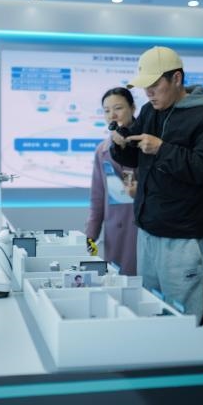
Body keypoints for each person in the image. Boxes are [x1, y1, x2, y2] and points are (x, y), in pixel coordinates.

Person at [111, 46, 203, 322]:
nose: (149, 93)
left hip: (183, 237)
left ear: (176, 79)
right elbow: (134, 157)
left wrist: (162, 149)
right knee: (151, 312)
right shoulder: (150, 111)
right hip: (148, 230)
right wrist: (121, 143)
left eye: (154, 85)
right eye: (145, 87)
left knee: (183, 318)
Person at [85, 87, 138, 275]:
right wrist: (91, 234)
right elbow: (97, 197)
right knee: (117, 281)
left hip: (143, 229)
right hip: (115, 231)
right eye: (107, 111)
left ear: (133, 108)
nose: (112, 115)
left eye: (118, 108)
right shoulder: (102, 151)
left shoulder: (148, 144)